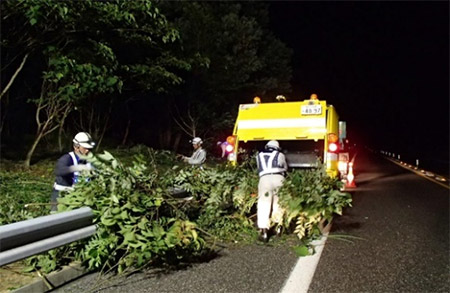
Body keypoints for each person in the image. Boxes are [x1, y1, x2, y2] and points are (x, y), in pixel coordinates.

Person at [51, 132, 95, 211]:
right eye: (85, 148)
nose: (87, 151)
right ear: (76, 147)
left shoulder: (89, 160)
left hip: (79, 197)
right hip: (61, 196)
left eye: (89, 148)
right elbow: (59, 171)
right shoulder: (67, 159)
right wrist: (76, 168)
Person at [256, 140, 287, 242]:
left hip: (264, 179)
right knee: (278, 203)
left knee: (264, 203)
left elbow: (258, 168)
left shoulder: (259, 155)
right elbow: (285, 167)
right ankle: (277, 227)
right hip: (279, 179)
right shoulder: (280, 155)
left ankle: (264, 231)